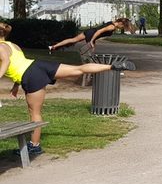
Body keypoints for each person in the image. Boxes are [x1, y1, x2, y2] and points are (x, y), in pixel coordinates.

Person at [1, 22, 135, 156]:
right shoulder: (12, 45)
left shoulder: (0, 47)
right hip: (38, 65)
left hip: (30, 75)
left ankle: (34, 146)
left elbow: (7, 62)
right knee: (78, 69)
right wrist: (16, 85)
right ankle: (112, 66)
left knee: (35, 113)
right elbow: (18, 63)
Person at [49, 18, 134, 54]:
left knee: (73, 40)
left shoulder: (111, 22)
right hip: (92, 34)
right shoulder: (112, 27)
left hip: (90, 31)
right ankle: (87, 71)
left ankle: (53, 46)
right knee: (90, 53)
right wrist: (92, 41)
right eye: (123, 26)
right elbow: (99, 31)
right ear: (120, 23)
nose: (122, 28)